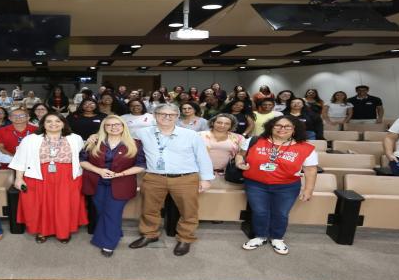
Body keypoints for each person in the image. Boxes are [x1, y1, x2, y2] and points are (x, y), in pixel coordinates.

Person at [123, 104, 214, 256]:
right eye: (162, 114)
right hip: (154, 177)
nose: (167, 117)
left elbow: (202, 157)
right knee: (149, 209)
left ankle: (185, 238)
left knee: (188, 211)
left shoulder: (190, 135)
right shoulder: (142, 132)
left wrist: (206, 179)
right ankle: (149, 234)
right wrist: (95, 136)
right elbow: (119, 134)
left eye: (171, 114)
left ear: (177, 117)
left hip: (185, 178)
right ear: (154, 115)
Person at [235, 116, 318, 255]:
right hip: (256, 185)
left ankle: (277, 238)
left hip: (287, 186)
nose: (282, 129)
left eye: (287, 126)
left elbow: (310, 169)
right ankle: (260, 236)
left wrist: (308, 190)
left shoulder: (306, 148)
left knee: (281, 213)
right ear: (271, 127)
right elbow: (240, 154)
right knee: (259, 211)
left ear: (294, 129)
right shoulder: (254, 140)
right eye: (278, 125)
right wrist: (239, 162)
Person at [10, 113, 87, 243]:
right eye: (49, 121)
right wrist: (19, 178)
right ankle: (42, 231)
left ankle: (63, 231)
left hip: (67, 177)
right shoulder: (30, 139)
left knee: (64, 206)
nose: (53, 124)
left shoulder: (75, 138)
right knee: (40, 205)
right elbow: (20, 160)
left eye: (58, 121)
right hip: (38, 176)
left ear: (63, 123)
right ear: (43, 124)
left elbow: (83, 157)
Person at [80, 115, 145, 257]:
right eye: (109, 125)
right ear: (104, 127)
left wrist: (120, 174)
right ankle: (115, 231)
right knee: (102, 210)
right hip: (97, 183)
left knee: (112, 212)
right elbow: (82, 160)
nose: (113, 127)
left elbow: (141, 165)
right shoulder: (94, 142)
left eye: (117, 124)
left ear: (123, 126)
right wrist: (99, 171)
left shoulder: (136, 143)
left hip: (122, 183)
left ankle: (108, 244)